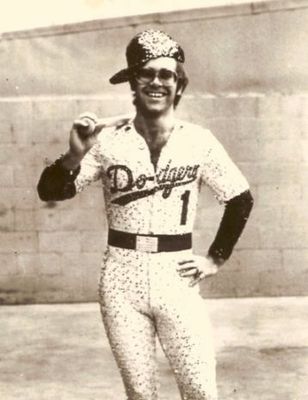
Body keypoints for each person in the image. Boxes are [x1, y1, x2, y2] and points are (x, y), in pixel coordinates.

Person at [37, 29, 253, 400]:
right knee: (140, 394)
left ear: (178, 85)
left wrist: (215, 258)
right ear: (132, 82)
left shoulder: (198, 140)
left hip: (176, 274)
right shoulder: (107, 141)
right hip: (121, 277)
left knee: (201, 390)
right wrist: (74, 155)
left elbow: (240, 198)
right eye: (146, 72)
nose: (156, 81)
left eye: (166, 74)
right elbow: (51, 191)